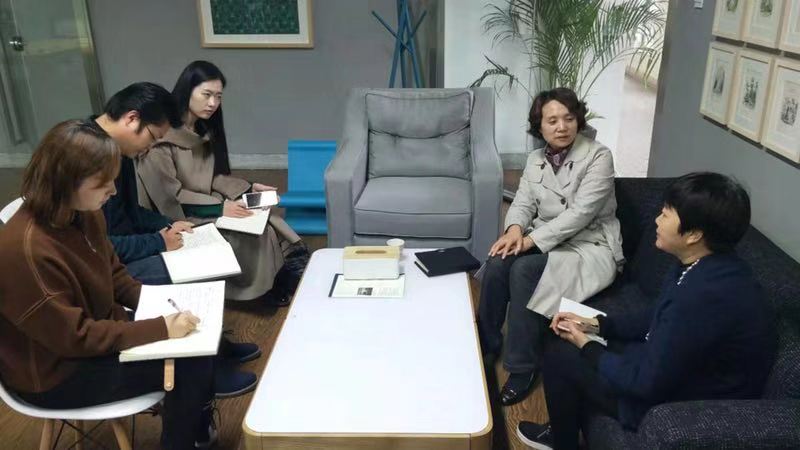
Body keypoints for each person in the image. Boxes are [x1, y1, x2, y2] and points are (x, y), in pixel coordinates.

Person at [516, 172, 777, 450]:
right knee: (569, 336)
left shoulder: (703, 296)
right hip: (673, 373)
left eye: (665, 214)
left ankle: (561, 442)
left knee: (560, 353)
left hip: (683, 403)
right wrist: (597, 324)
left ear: (694, 234)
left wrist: (586, 345)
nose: (656, 220)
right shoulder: (705, 264)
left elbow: (644, 383)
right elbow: (658, 316)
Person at [0, 120, 214, 449]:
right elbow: (75, 338)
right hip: (55, 373)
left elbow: (114, 274)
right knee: (191, 365)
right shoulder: (23, 250)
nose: (112, 191)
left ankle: (196, 432)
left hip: (91, 337)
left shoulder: (84, 213)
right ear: (65, 182)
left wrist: (159, 305)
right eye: (103, 183)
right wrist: (161, 327)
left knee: (199, 344)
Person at [93, 82, 260, 398]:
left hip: (121, 253)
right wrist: (159, 242)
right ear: (132, 118)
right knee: (191, 277)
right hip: (106, 269)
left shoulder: (117, 150)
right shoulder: (89, 156)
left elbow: (130, 213)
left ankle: (214, 349)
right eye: (152, 138)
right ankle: (205, 371)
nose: (149, 149)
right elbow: (99, 247)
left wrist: (168, 225)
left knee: (206, 254)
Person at [477, 87, 624, 406]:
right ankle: (485, 346)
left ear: (578, 120)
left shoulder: (598, 156)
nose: (562, 127)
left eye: (569, 119)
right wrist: (514, 230)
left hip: (588, 246)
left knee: (524, 270)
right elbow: (523, 202)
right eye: (552, 120)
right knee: (499, 259)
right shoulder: (535, 159)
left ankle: (522, 367)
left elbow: (581, 214)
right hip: (546, 239)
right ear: (539, 126)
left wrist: (530, 240)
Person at [136, 61, 308, 305]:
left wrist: (249, 187)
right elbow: (168, 197)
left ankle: (278, 277)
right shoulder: (160, 140)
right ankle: (258, 290)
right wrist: (219, 208)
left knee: (265, 217)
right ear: (187, 91)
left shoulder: (201, 131)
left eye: (218, 96)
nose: (213, 103)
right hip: (179, 213)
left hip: (205, 202)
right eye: (206, 94)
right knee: (252, 232)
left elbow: (211, 177)